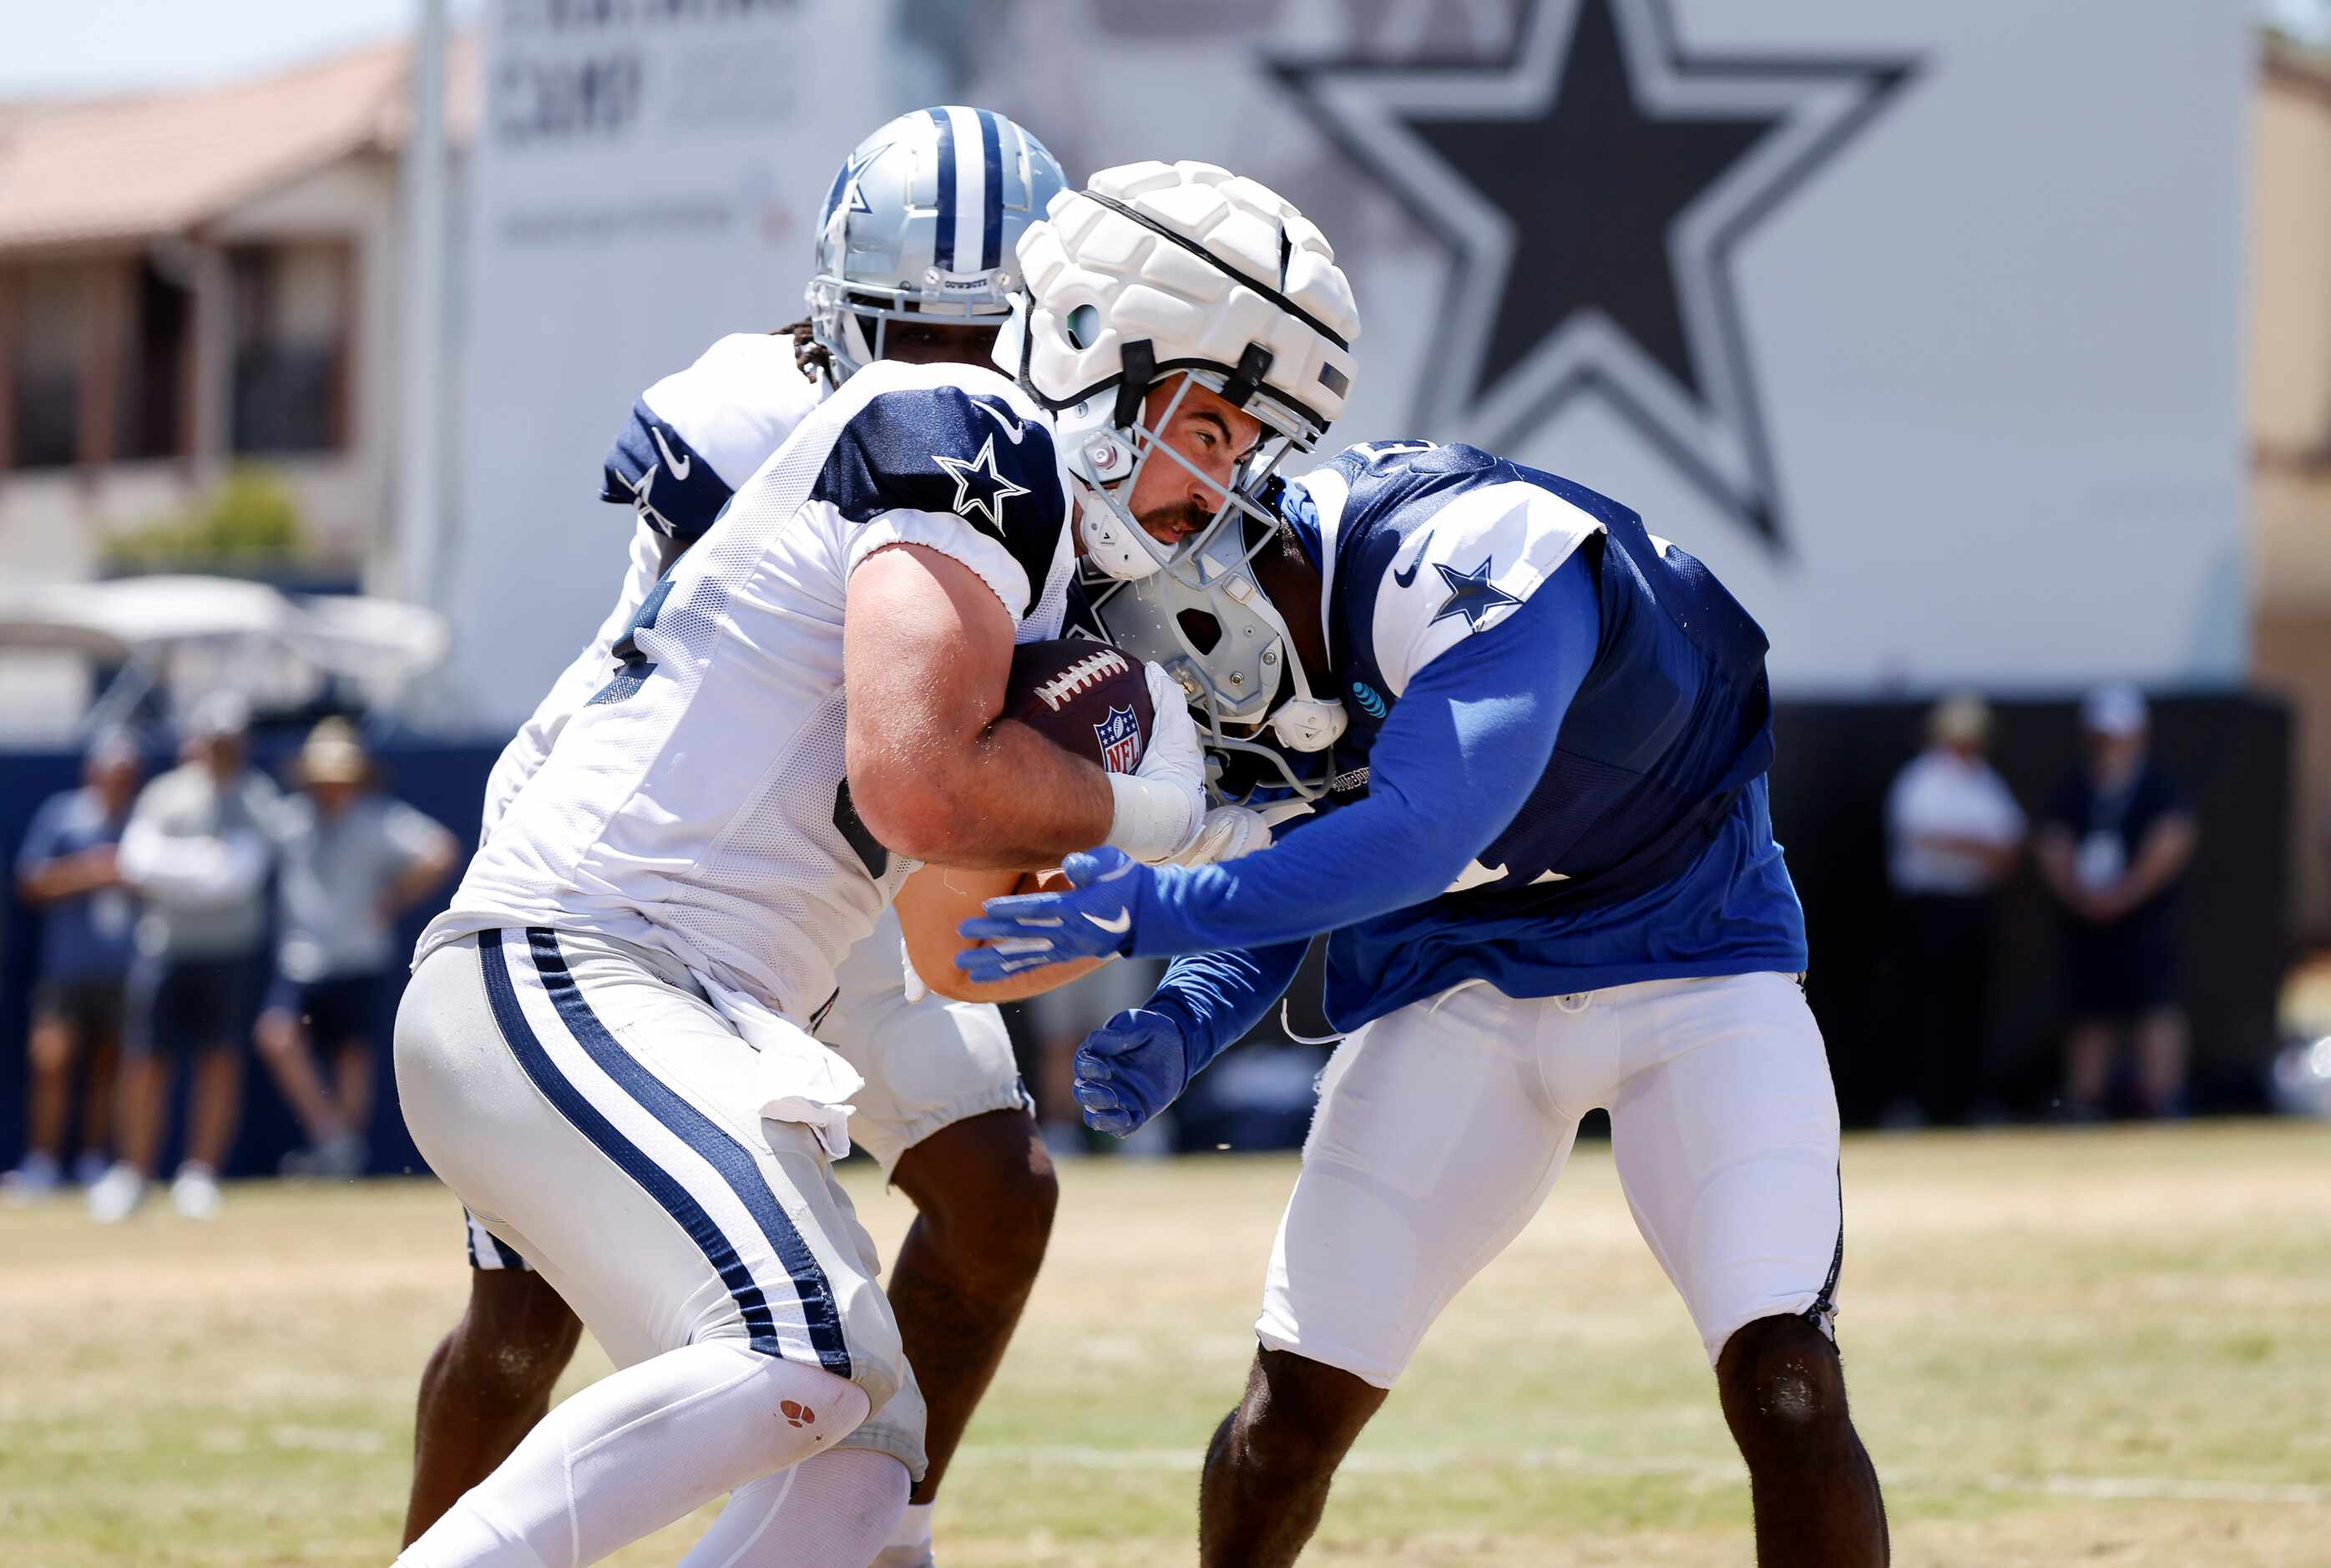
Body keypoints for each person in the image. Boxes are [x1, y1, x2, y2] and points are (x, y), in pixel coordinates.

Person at [391, 149, 1354, 1566]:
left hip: (722, 980)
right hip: (588, 952)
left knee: (862, 1464)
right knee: (791, 1348)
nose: (1219, 480)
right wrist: (1170, 810)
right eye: (1207, 427)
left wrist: (1159, 856)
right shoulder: (965, 425)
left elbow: (957, 933)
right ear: (1102, 346)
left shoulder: (1049, 549)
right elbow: (913, 786)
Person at [963, 438, 1889, 1566]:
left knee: (1785, 1376)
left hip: (1691, 964)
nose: (1160, 660)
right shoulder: (1245, 677)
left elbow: (1418, 833)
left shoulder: (1464, 552)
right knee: (1286, 1417)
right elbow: (1288, 847)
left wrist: (1149, 915)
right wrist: (1190, 1012)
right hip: (1460, 988)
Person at [401, 109, 1074, 1568]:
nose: (939, 370)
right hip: (667, 863)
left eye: (978, 336)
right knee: (528, 1318)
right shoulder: (749, 400)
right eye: (910, 328)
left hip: (843, 880)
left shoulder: (1041, 454)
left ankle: (877, 1513)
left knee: (994, 1192)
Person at [88, 693, 281, 1223]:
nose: (221, 752)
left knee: (218, 1063)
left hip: (230, 953)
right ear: (197, 741)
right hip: (166, 949)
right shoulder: (165, 794)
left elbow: (238, 879)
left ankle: (200, 1174)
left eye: (230, 743)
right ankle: (133, 1173)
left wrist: (178, 869)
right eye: (214, 741)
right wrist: (203, 867)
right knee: (146, 1063)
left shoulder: (259, 800)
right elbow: (136, 861)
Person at [255, 719, 457, 1178]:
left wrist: (397, 896)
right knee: (278, 1035)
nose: (331, 788)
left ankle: (342, 1156)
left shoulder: (377, 819)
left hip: (358, 955)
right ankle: (332, 1137)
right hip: (302, 956)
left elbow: (440, 850)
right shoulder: (288, 821)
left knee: (352, 1054)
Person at [2036, 684, 2196, 1119]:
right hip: (2087, 915)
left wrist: (2128, 891)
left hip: (2143, 915)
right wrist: (2078, 892)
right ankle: (2084, 1101)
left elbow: (2173, 839)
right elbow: (2054, 842)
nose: (2112, 743)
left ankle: (2164, 1098)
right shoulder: (2076, 784)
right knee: (2091, 1011)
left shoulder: (2157, 784)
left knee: (2155, 1006)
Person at [4, 731, 143, 1201]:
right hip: (65, 971)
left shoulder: (141, 823)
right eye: (112, 773)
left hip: (121, 969)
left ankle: (92, 1160)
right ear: (94, 773)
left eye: (127, 776)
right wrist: (91, 872)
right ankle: (42, 1161)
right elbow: (31, 881)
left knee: (110, 1067)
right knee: (52, 1063)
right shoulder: (62, 816)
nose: (119, 782)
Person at [1880, 691, 2025, 1125]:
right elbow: (1922, 838)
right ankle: (1914, 1104)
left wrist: (1968, 847)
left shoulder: (1986, 783)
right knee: (1922, 1007)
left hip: (1973, 909)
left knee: (1970, 1008)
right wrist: (1977, 846)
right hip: (1926, 911)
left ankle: (1968, 1103)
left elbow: (2009, 846)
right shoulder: (1920, 780)